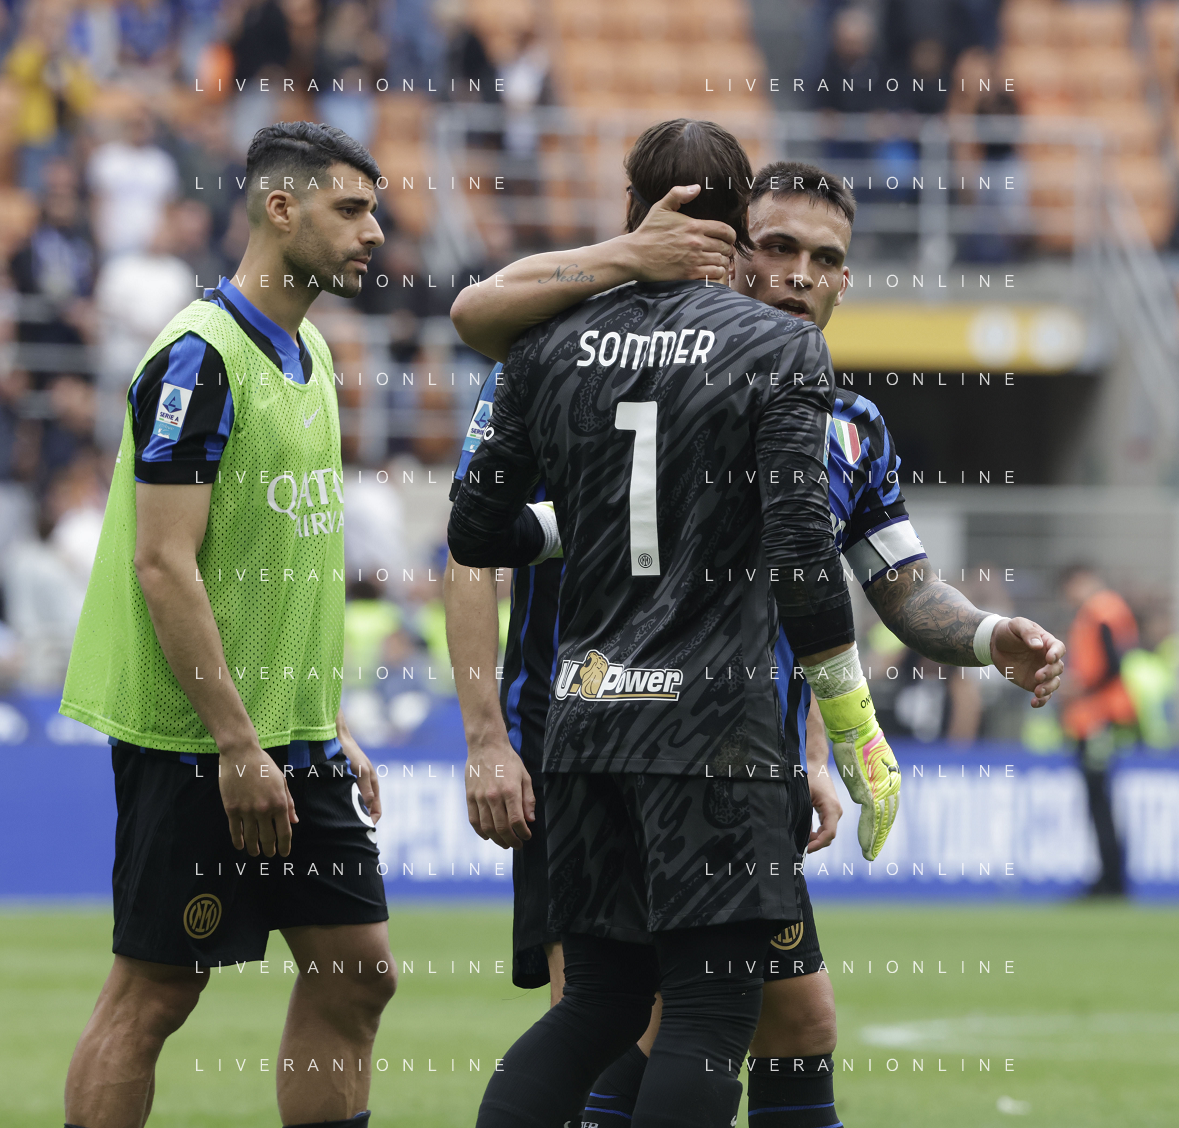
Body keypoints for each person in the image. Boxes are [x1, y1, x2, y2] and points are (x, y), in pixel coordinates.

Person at [446, 157, 1065, 1127]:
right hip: (593, 741)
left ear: (845, 278)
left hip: (733, 753)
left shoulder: (845, 423)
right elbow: (473, 538)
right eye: (776, 246)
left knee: (785, 1019)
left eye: (824, 258)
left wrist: (987, 637)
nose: (798, 274)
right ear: (725, 250)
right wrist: (487, 738)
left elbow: (885, 585)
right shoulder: (613, 364)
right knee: (638, 1015)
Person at [447, 118, 887, 1128]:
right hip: (712, 734)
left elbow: (476, 529)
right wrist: (850, 723)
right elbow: (799, 557)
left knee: (596, 1006)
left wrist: (587, 518)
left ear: (632, 202)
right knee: (707, 1011)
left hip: (584, 720)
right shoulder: (775, 347)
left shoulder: (549, 341)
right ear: (739, 222)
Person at [58, 122, 394, 1128]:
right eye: (350, 209)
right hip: (196, 741)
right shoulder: (196, 359)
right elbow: (162, 564)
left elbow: (284, 565)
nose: (373, 232)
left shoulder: (314, 349)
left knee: (357, 974)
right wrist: (237, 745)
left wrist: (326, 722)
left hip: (296, 738)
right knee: (156, 993)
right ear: (280, 209)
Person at [1059, 564, 1138, 897]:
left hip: (1099, 719)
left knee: (1100, 799)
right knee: (1098, 799)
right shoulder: (1100, 611)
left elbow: (1111, 666)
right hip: (1094, 718)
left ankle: (1111, 880)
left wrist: (1079, 688)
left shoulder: (1101, 610)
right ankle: (1109, 876)